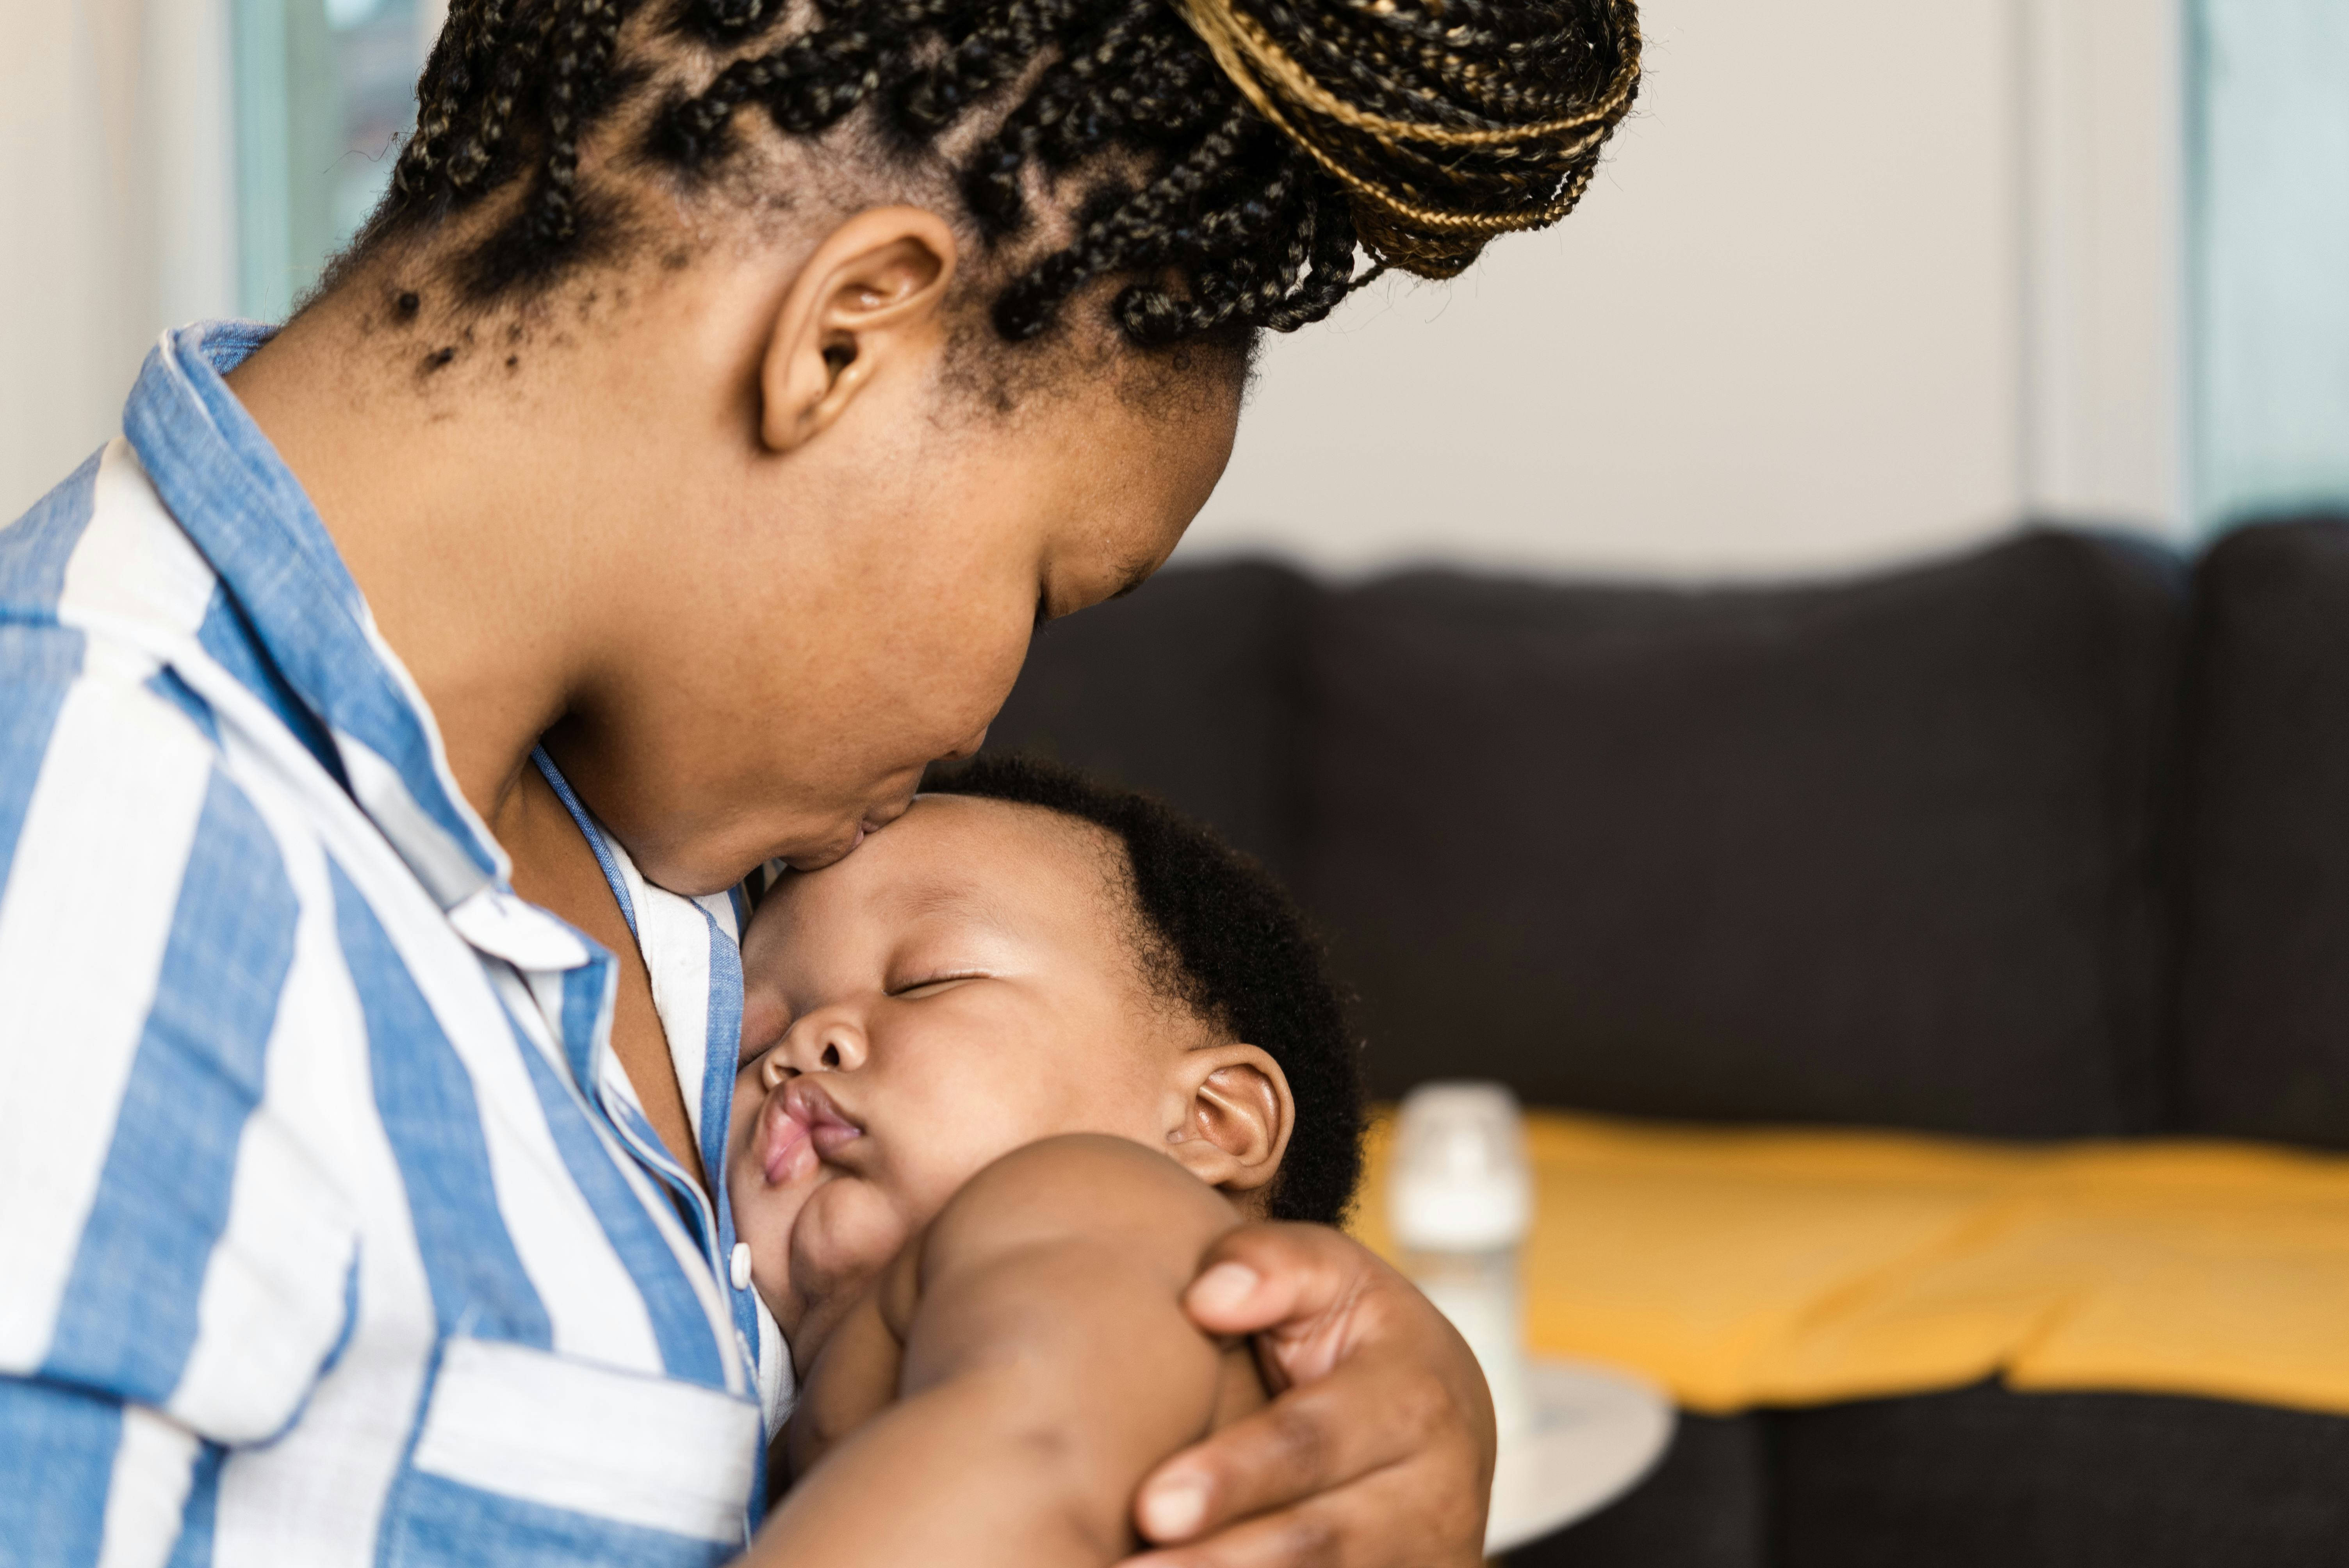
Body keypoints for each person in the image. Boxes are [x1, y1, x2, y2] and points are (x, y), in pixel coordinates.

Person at [0, 0, 1639, 1561]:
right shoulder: (98, 869)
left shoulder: (671, 842)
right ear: (845, 339)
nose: (993, 704)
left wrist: (1324, 1381)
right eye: (1046, 590)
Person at [726, 757, 1381, 1564]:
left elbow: (1035, 1454)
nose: (801, 1045)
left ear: (1209, 1121)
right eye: (747, 1040)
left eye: (928, 981)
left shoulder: (1110, 1209)